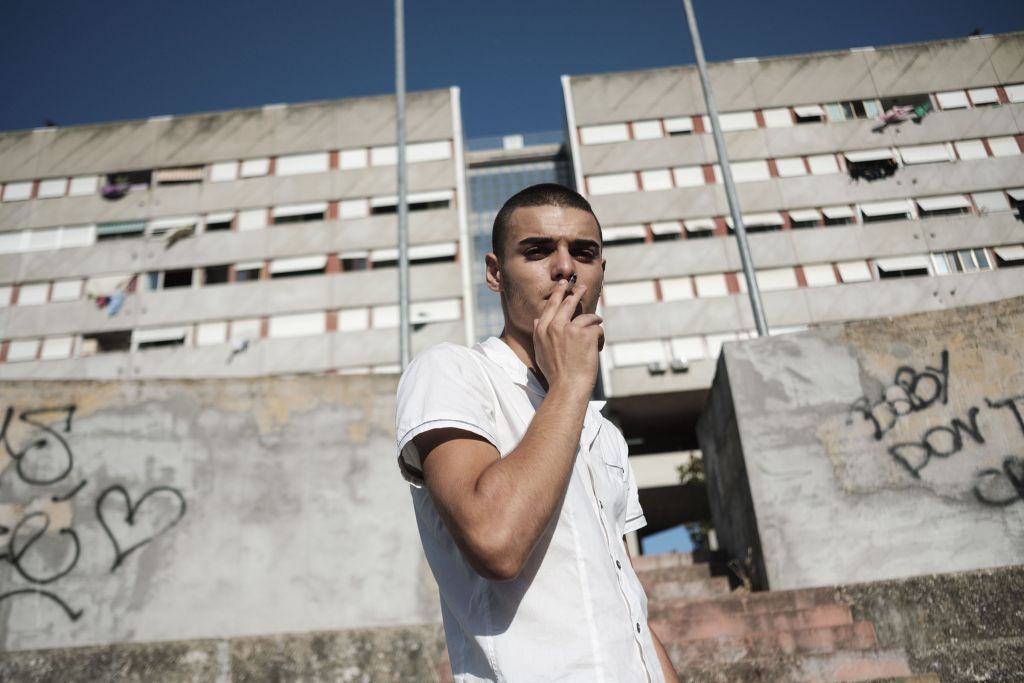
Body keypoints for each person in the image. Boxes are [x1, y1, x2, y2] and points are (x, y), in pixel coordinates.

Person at [396, 183, 680, 682]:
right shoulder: (453, 373)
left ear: (600, 274)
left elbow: (622, 596)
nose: (566, 268)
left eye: (584, 253)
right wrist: (570, 383)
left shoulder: (601, 430)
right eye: (538, 251)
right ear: (494, 273)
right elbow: (495, 542)